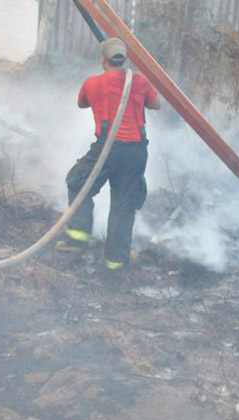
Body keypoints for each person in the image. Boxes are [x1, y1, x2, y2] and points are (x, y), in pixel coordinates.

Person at [56, 37, 161, 272]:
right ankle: (116, 262)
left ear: (103, 60)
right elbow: (157, 105)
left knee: (77, 181)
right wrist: (138, 89)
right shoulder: (140, 81)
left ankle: (78, 238)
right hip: (135, 152)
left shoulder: (93, 83)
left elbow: (82, 103)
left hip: (108, 148)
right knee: (123, 206)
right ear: (123, 60)